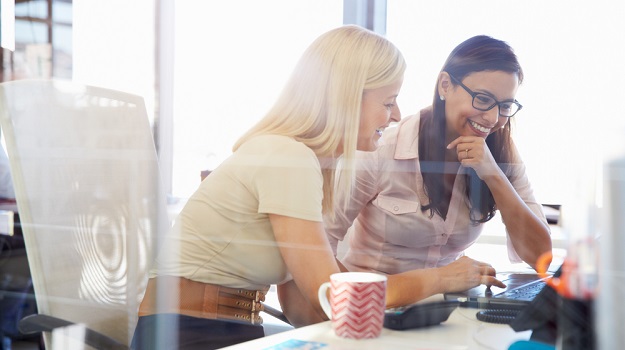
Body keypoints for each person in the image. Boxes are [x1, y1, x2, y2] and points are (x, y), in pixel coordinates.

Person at [131, 25, 405, 349]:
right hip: (188, 335)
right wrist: (437, 282)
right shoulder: (288, 156)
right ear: (347, 99)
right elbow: (330, 298)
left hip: (224, 332)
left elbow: (302, 305)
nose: (397, 116)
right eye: (389, 103)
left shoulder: (301, 161)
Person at [324, 35, 552, 303]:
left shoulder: (502, 151)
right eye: (482, 99)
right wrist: (354, 302)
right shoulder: (383, 149)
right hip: (376, 308)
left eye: (504, 106)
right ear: (445, 85)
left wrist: (493, 175)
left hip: (443, 314)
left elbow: (540, 259)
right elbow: (318, 246)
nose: (492, 118)